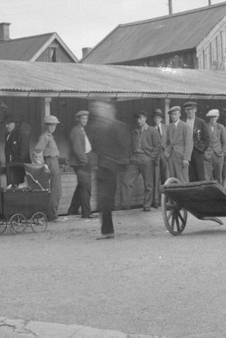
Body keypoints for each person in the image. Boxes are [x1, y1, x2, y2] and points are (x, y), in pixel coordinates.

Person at [86, 100, 130, 239]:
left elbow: (124, 148)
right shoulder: (96, 127)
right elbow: (93, 146)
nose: (99, 114)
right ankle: (107, 230)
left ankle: (107, 231)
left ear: (110, 112)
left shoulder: (119, 127)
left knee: (106, 201)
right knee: (102, 201)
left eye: (101, 111)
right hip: (101, 167)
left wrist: (116, 162)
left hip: (111, 169)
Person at [122, 110, 162, 212]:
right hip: (134, 159)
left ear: (145, 118)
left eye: (140, 118)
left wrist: (151, 158)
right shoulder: (134, 131)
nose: (138, 121)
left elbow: (158, 145)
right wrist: (130, 157)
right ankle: (125, 206)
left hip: (146, 158)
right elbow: (130, 145)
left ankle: (147, 205)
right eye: (137, 118)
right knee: (126, 181)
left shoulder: (152, 130)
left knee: (148, 184)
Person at [34, 115, 62, 221]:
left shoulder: (50, 137)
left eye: (54, 125)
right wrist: (43, 165)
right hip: (50, 162)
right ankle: (51, 215)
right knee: (54, 190)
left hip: (54, 161)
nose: (52, 127)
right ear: (46, 125)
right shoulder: (44, 137)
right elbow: (37, 151)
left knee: (56, 190)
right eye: (50, 125)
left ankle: (51, 214)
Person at [67, 110, 93, 219]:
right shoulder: (76, 131)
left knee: (81, 186)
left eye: (86, 118)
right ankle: (86, 213)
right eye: (83, 118)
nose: (85, 120)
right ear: (78, 119)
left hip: (84, 160)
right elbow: (77, 149)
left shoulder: (81, 130)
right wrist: (85, 161)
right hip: (81, 163)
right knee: (86, 187)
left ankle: (73, 210)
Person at [184, 102, 210, 182]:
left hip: (197, 151)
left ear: (195, 110)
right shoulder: (183, 122)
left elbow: (207, 138)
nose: (190, 112)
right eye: (187, 110)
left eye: (191, 109)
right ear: (185, 111)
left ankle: (202, 192)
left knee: (200, 173)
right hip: (186, 151)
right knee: (189, 173)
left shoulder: (201, 122)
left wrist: (201, 148)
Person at [164, 106, 190, 183]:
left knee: (183, 179)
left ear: (179, 114)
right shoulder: (169, 127)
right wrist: (166, 153)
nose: (173, 116)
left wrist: (186, 158)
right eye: (172, 114)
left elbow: (188, 143)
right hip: (171, 156)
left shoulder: (184, 126)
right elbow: (167, 142)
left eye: (175, 114)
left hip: (181, 157)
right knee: (172, 179)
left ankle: (184, 195)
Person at [2, 114, 30, 186]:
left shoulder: (20, 133)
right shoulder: (7, 135)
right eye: (5, 124)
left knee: (18, 188)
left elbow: (24, 151)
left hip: (19, 167)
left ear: (14, 123)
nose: (6, 126)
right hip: (11, 167)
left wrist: (16, 163)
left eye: (8, 124)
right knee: (11, 186)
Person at [204, 109, 226, 184]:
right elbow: (202, 140)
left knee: (218, 177)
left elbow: (224, 141)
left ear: (217, 117)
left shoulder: (221, 127)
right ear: (209, 118)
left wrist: (223, 152)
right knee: (207, 177)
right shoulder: (205, 126)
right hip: (207, 155)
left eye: (215, 117)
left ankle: (218, 194)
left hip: (218, 155)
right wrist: (204, 151)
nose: (213, 119)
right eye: (212, 117)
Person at [151, 109, 168, 208]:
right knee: (155, 178)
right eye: (154, 118)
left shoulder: (166, 128)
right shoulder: (151, 129)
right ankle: (156, 201)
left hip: (164, 155)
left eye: (158, 117)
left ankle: (165, 200)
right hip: (156, 155)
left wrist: (167, 151)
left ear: (161, 119)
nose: (156, 119)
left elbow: (170, 141)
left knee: (165, 177)